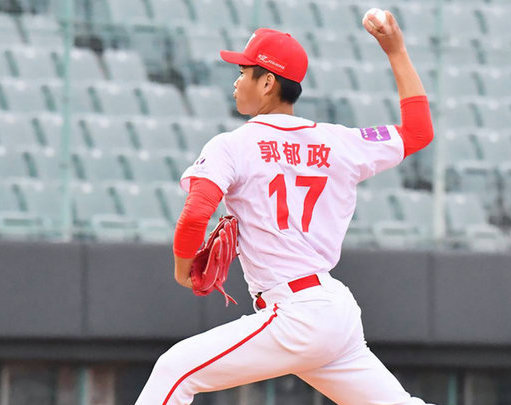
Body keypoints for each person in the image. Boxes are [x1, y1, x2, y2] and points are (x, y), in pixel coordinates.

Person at [135, 10, 434, 405]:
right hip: (333, 311)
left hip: (296, 313)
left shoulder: (232, 145)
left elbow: (195, 214)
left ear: (267, 82)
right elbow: (418, 132)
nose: (236, 81)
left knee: (174, 371)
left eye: (243, 72)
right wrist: (396, 51)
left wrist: (182, 269)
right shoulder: (339, 142)